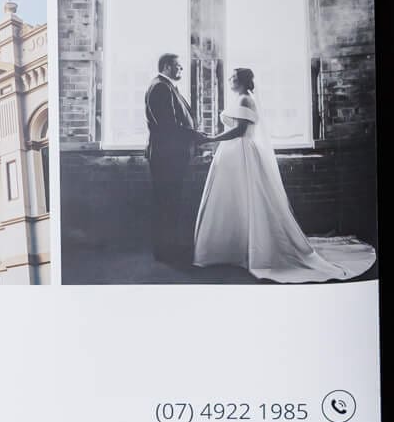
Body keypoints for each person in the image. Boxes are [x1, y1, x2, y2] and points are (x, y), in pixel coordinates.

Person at [193, 68, 377, 282]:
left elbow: (240, 131)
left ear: (242, 81)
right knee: (237, 199)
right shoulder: (241, 98)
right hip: (234, 153)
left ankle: (251, 249)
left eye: (233, 77)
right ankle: (236, 248)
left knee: (249, 198)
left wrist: (211, 139)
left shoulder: (245, 99)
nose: (230, 79)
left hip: (242, 152)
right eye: (230, 76)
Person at [144, 53, 242, 267]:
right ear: (168, 66)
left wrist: (194, 133)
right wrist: (196, 135)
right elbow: (168, 126)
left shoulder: (165, 86)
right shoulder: (160, 87)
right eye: (178, 67)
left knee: (171, 203)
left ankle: (168, 248)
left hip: (170, 155)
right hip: (166, 157)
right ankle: (165, 251)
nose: (181, 70)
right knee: (167, 203)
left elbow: (175, 122)